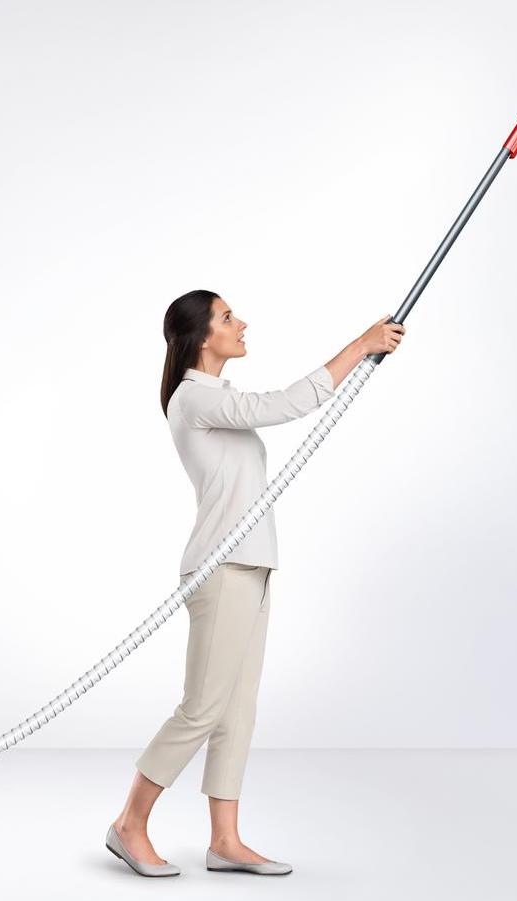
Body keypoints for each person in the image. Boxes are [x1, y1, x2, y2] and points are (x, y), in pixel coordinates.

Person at [105, 290, 405, 877]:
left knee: (236, 710)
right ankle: (128, 825)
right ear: (200, 337)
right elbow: (287, 403)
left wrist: (363, 352)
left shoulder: (219, 399)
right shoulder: (194, 399)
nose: (241, 323)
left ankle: (225, 841)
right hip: (220, 569)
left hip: (253, 565)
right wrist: (360, 346)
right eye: (227, 317)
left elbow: (266, 408)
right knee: (201, 708)